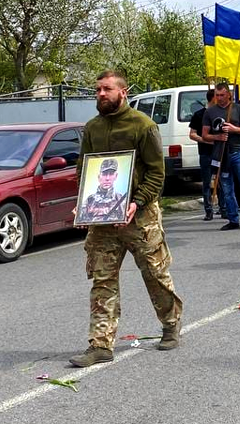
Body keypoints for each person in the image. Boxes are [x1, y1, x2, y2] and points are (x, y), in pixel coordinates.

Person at [69, 70, 182, 368]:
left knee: (155, 274)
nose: (101, 94)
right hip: (103, 220)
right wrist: (83, 205)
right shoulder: (92, 128)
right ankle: (101, 344)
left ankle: (171, 324)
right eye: (97, 90)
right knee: (102, 279)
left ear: (123, 92)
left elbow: (157, 173)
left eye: (106, 89)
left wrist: (137, 202)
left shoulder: (143, 126)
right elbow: (85, 171)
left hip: (140, 218)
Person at [203, 83, 240, 230]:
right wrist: (217, 137)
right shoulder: (210, 112)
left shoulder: (239, 108)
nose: (219, 98)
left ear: (229, 95)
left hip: (238, 151)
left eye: (222, 95)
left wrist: (233, 128)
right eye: (217, 95)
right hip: (221, 154)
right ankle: (233, 219)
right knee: (226, 187)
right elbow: (205, 135)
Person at [188, 89, 217, 221]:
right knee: (206, 182)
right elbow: (192, 134)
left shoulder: (221, 114)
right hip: (205, 152)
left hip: (219, 152)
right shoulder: (199, 115)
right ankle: (208, 209)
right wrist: (205, 140)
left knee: (222, 180)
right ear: (213, 98)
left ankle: (224, 208)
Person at [78, 157, 129, 224]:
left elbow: (126, 220)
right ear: (99, 177)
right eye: (104, 174)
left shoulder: (121, 199)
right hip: (96, 232)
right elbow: (81, 221)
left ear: (116, 176)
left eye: (111, 174)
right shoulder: (90, 200)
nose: (107, 178)